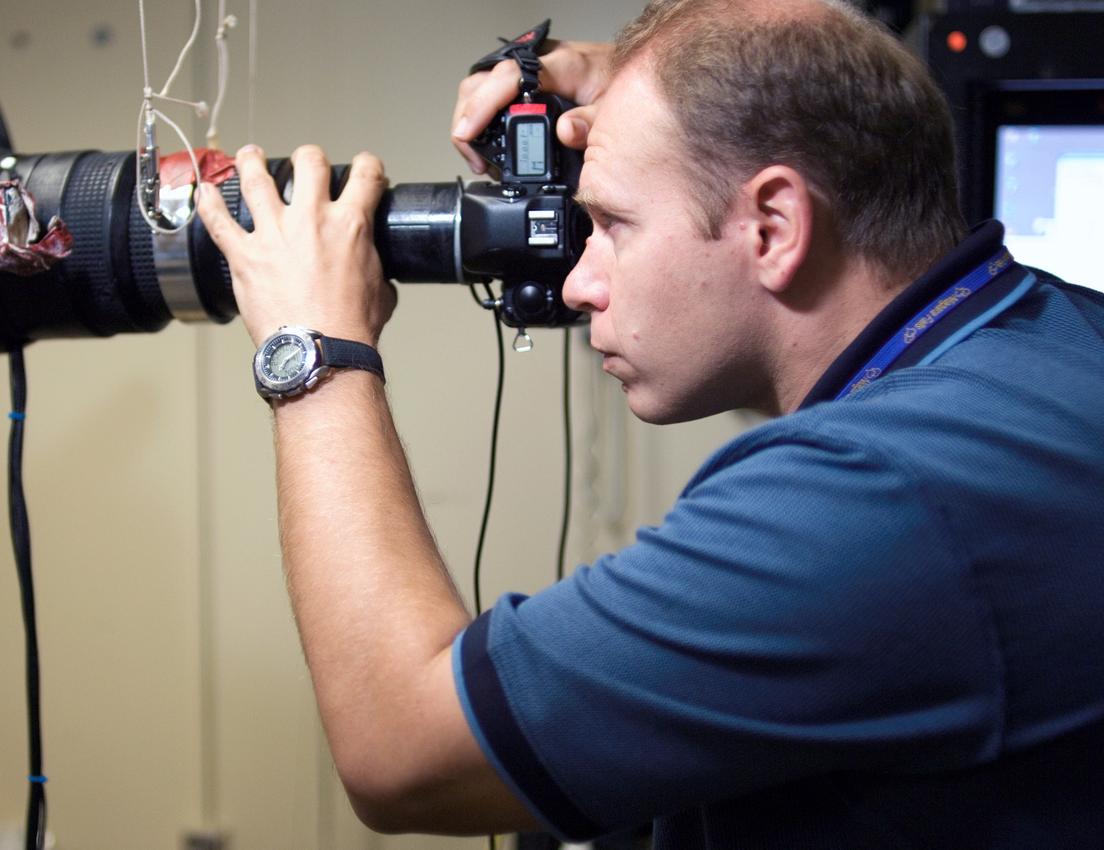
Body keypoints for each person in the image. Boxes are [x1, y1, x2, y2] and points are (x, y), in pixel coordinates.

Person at [197, 0, 1104, 846]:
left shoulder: (875, 497)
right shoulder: (1052, 340)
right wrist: (655, 86)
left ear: (775, 225)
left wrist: (311, 346)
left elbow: (402, 754)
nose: (579, 281)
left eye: (610, 223)